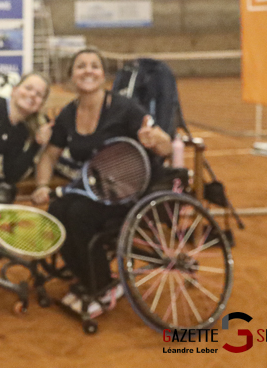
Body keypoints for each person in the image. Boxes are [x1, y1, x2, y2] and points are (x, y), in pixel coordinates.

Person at [30, 48, 171, 317]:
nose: (87, 71)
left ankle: (104, 285)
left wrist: (155, 139)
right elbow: (49, 156)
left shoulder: (125, 108)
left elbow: (164, 145)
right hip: (97, 190)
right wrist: (41, 186)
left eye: (94, 66)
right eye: (81, 66)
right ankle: (86, 279)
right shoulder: (68, 114)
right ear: (72, 76)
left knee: (78, 214)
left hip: (133, 190)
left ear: (103, 75)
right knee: (59, 211)